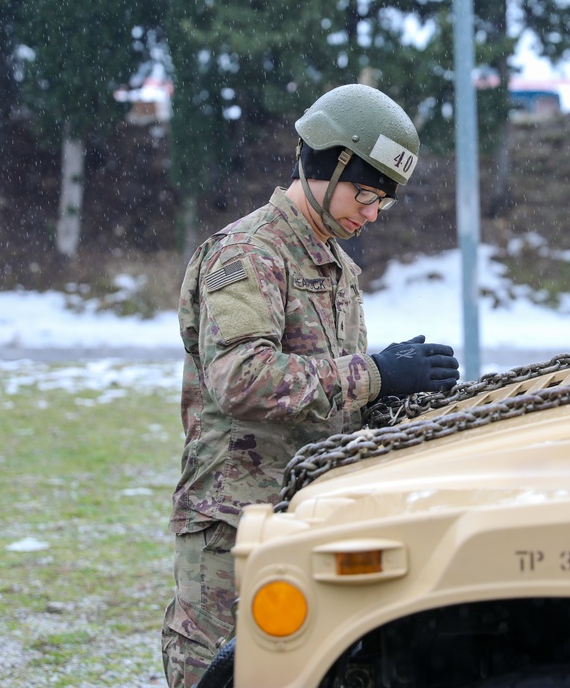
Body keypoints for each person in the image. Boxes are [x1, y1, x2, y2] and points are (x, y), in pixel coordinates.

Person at [161, 83, 460, 688]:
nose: (371, 214)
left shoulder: (335, 264)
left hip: (305, 513)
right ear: (328, 164)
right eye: (367, 194)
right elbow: (240, 380)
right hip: (234, 523)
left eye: (384, 203)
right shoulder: (249, 254)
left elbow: (332, 397)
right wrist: (375, 374)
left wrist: (392, 400)